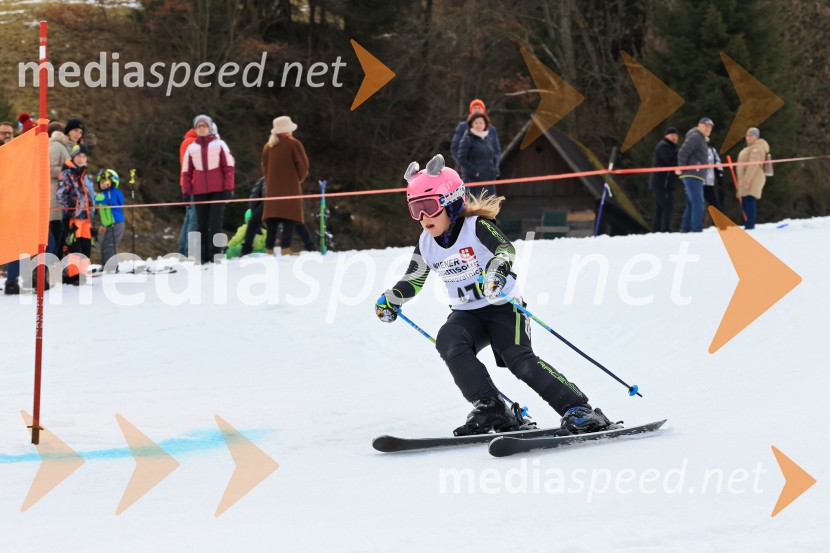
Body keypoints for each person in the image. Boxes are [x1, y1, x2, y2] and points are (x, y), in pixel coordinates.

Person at [375, 154, 616, 437]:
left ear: (451, 203)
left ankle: (578, 408)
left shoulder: (474, 226)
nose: (422, 217)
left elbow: (505, 250)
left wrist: (496, 271)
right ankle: (491, 406)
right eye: (415, 210)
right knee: (449, 340)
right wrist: (393, 298)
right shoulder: (426, 243)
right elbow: (414, 279)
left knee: (518, 358)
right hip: (467, 313)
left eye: (428, 207)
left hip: (503, 307)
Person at [180, 114, 235, 263]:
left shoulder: (219, 145)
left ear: (210, 128)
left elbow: (228, 167)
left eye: (204, 126)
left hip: (217, 190)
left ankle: (215, 254)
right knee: (201, 224)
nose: (202, 128)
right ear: (195, 129)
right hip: (199, 192)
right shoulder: (192, 148)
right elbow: (186, 172)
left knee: (215, 223)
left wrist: (228, 188)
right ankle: (202, 256)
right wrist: (186, 191)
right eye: (199, 126)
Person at [261, 116, 309, 256]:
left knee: (273, 219)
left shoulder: (268, 146)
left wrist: (270, 180)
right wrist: (297, 179)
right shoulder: (294, 143)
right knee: (290, 217)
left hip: (271, 187)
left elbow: (264, 167)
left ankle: (269, 249)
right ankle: (285, 248)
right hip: (290, 187)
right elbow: (303, 166)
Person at [57, 144, 95, 284]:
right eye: (78, 156)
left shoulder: (85, 175)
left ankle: (82, 273)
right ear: (73, 157)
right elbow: (60, 194)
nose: (81, 159)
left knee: (85, 246)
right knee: (74, 246)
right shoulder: (67, 173)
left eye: (84, 156)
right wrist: (72, 206)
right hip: (73, 217)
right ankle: (72, 275)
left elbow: (89, 195)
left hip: (86, 218)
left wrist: (92, 209)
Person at [676, 117, 713, 232]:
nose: (708, 129)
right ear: (699, 125)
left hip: (695, 174)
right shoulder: (696, 136)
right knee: (698, 202)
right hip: (692, 174)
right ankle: (696, 228)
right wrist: (681, 167)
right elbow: (683, 151)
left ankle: (686, 227)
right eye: (706, 126)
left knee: (691, 202)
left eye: (710, 127)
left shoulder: (700, 138)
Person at [451, 99, 501, 173]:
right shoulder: (462, 127)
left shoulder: (491, 129)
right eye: (475, 108)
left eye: (479, 108)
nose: (477, 110)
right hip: (469, 172)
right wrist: (466, 166)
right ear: (471, 110)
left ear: (483, 110)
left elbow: (496, 150)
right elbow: (455, 148)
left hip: (489, 172)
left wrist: (494, 167)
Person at [457, 112, 499, 197]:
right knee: (475, 208)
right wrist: (475, 172)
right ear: (471, 124)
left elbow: (493, 156)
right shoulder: (467, 139)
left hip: (489, 181)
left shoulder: (488, 140)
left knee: (491, 207)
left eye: (481, 122)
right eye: (476, 122)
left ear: (485, 125)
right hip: (473, 181)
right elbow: (461, 159)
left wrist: (494, 170)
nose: (478, 125)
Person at [736, 127, 770, 230]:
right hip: (748, 178)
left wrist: (747, 180)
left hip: (753, 178)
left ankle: (750, 224)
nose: (748, 137)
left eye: (751, 135)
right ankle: (748, 224)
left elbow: (753, 165)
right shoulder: (750, 147)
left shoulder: (757, 148)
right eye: (747, 135)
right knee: (746, 200)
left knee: (749, 200)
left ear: (756, 136)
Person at [94, 169, 126, 269]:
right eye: (102, 182)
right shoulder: (105, 194)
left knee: (109, 245)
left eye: (106, 182)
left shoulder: (113, 192)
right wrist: (103, 224)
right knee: (104, 245)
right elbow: (105, 213)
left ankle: (111, 267)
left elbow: (103, 199)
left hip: (116, 224)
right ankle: (105, 265)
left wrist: (92, 196)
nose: (103, 184)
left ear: (113, 182)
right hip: (109, 224)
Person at [650, 127, 679, 232]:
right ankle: (664, 229)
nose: (674, 137)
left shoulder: (671, 147)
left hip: (663, 183)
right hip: (661, 183)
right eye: (672, 135)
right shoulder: (664, 146)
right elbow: (670, 161)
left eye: (676, 136)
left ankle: (656, 230)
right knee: (667, 205)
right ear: (666, 136)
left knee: (660, 207)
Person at [178, 127, 199, 257]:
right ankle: (189, 252)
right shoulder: (191, 142)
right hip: (193, 184)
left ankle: (183, 250)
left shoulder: (187, 141)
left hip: (187, 183)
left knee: (189, 218)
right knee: (194, 219)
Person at [703, 142, 723, 212]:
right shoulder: (694, 149)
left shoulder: (711, 150)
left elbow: (717, 162)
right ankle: (692, 222)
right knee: (695, 204)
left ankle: (720, 221)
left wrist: (720, 174)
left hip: (709, 181)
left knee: (714, 203)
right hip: (697, 182)